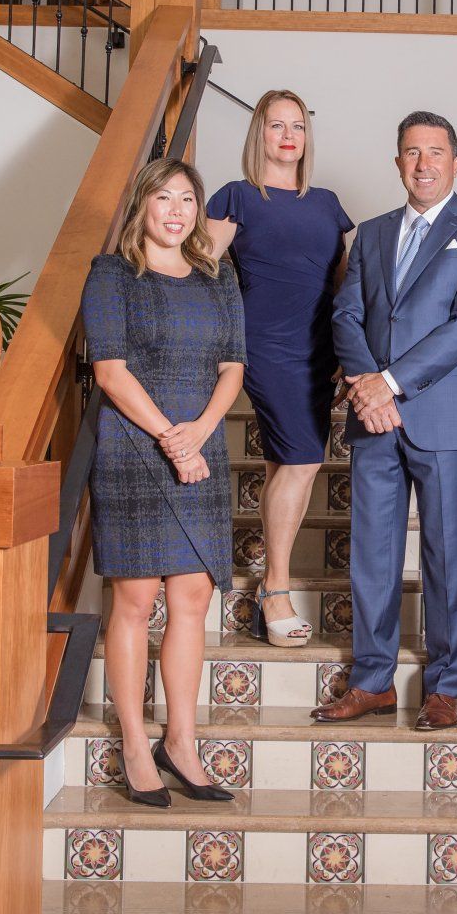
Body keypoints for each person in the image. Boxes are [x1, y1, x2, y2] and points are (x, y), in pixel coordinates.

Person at [313, 111, 457, 732]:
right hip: (374, 418)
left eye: (435, 152)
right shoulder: (369, 235)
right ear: (396, 161)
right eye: (411, 152)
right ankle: (372, 680)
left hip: (444, 415)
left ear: (456, 161)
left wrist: (389, 382)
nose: (422, 163)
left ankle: (446, 685)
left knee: (448, 555)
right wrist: (368, 388)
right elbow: (346, 315)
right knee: (371, 553)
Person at [81, 157, 247, 808]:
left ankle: (181, 740)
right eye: (164, 197)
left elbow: (233, 368)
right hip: (132, 444)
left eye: (187, 199)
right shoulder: (112, 274)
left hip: (200, 445)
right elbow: (111, 372)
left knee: (193, 599)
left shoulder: (218, 276)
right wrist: (169, 438)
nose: (176, 210)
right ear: (141, 205)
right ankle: (132, 740)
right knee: (134, 597)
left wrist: (199, 431)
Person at [206, 89, 354, 647]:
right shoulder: (238, 197)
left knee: (282, 465)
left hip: (320, 348)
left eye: (297, 125)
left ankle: (270, 585)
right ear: (258, 134)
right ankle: (276, 589)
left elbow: (345, 282)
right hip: (265, 344)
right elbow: (201, 267)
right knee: (303, 460)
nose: (288, 135)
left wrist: (349, 353)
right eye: (275, 126)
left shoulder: (328, 203)